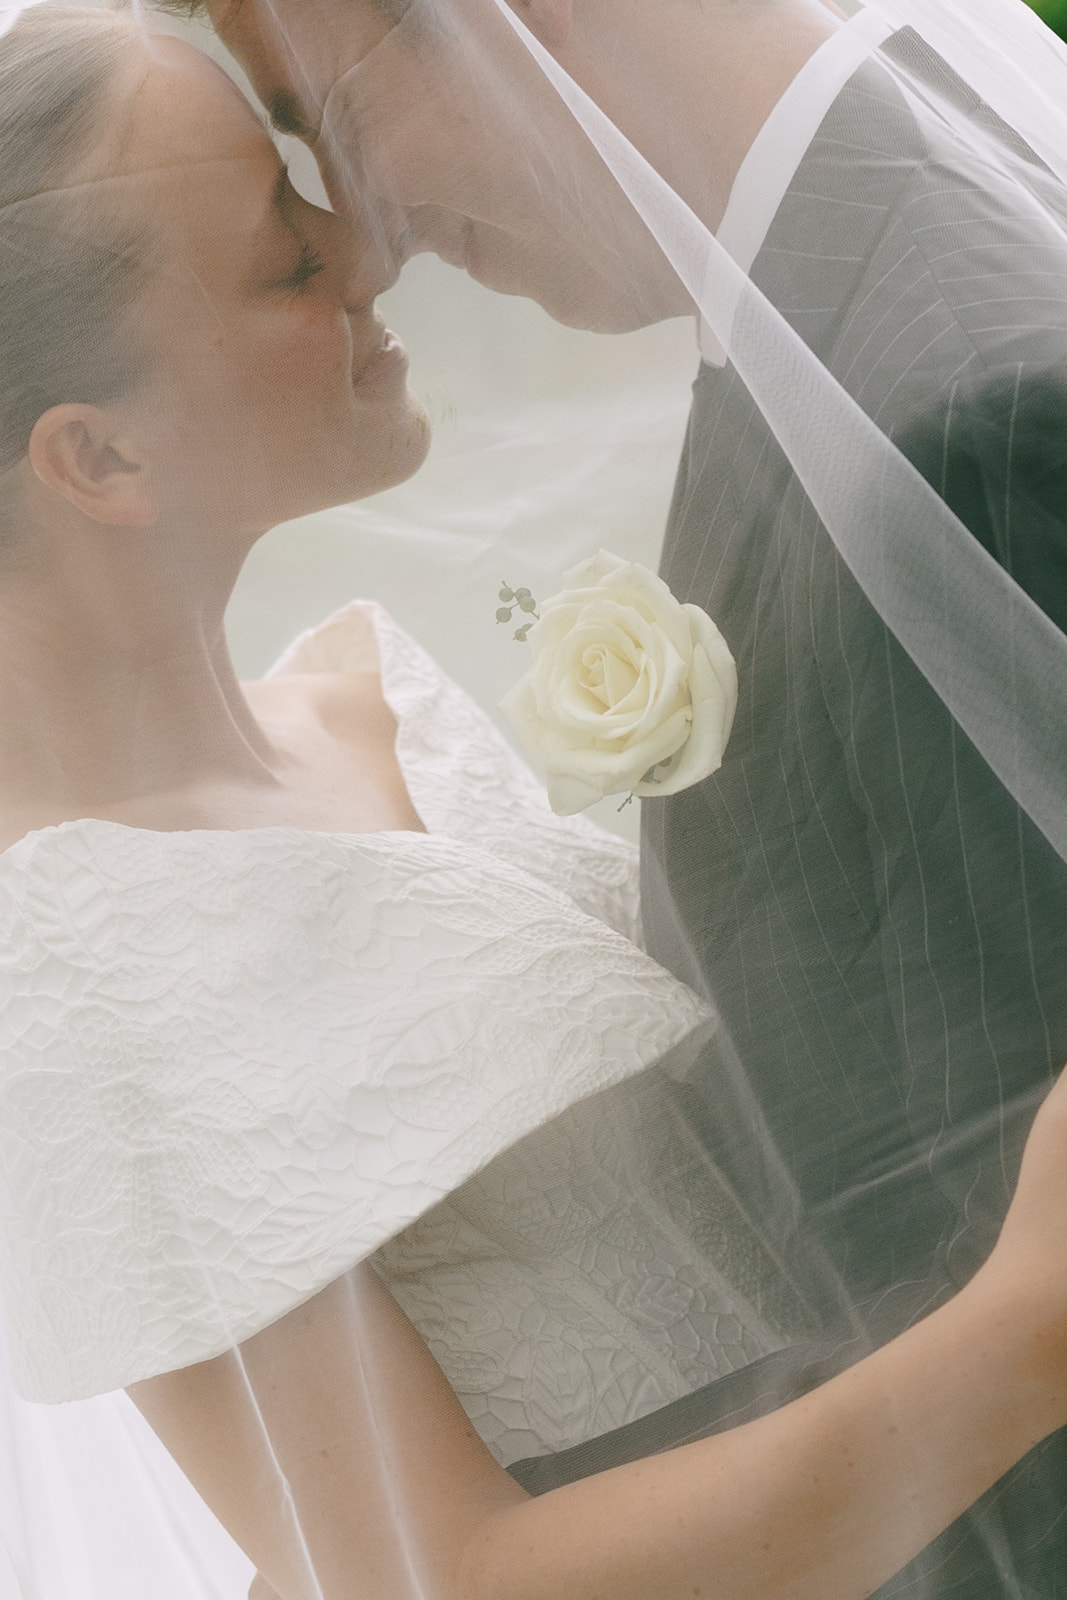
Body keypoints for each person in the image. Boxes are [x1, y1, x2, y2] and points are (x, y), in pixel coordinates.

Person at [0, 5, 1065, 1598]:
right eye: (286, 261)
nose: (364, 255)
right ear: (97, 458)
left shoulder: (385, 711)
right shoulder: (78, 976)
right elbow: (441, 1579)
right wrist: (1030, 1324)